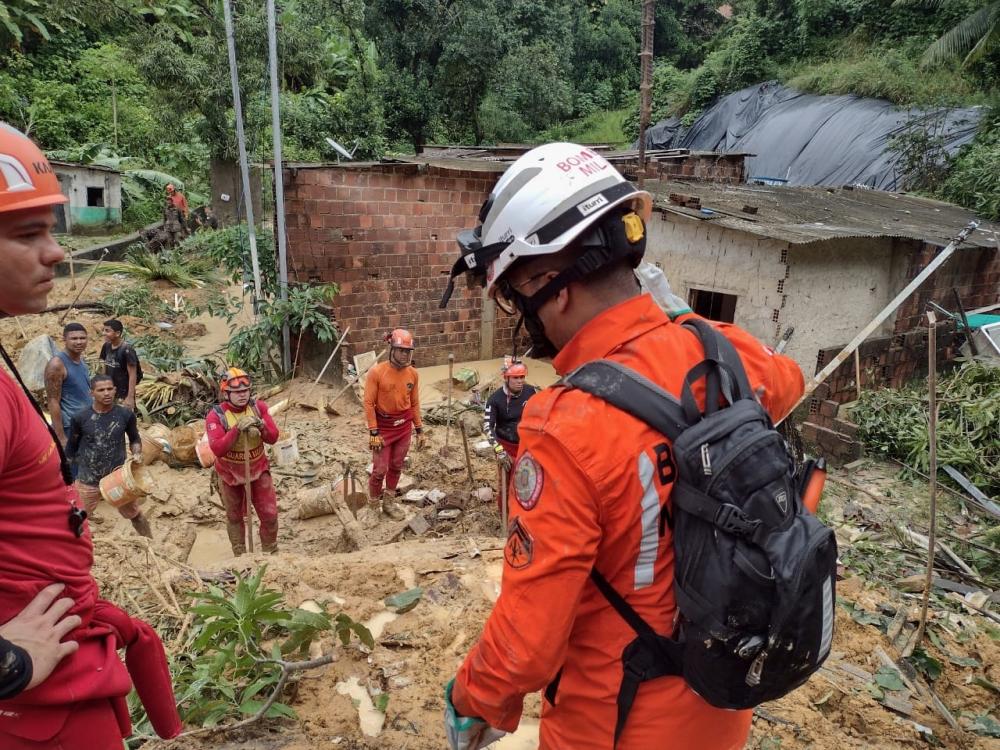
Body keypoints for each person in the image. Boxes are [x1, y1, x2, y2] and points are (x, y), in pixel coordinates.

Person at [438, 143, 805, 750]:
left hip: (611, 723)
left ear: (552, 289)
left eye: (513, 295)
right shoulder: (724, 356)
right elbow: (788, 379)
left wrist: (474, 696)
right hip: (721, 702)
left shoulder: (565, 427)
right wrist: (688, 323)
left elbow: (526, 646)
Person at [0, 122, 180, 746]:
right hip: (38, 702)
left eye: (52, 229)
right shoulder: (58, 381)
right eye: (28, 234)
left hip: (65, 667)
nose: (56, 252)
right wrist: (8, 662)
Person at [65, 375, 151, 538]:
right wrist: (66, 478)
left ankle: (151, 543)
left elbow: (134, 439)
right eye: (101, 390)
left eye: (109, 389)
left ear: (115, 390)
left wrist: (137, 453)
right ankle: (72, 553)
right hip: (88, 480)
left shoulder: (125, 415)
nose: (106, 393)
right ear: (91, 393)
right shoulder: (80, 418)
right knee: (76, 519)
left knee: (136, 515)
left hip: (117, 479)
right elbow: (70, 450)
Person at [205, 367, 280, 554]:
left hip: (258, 469)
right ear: (226, 393)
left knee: (270, 515)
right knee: (234, 516)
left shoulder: (258, 408)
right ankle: (240, 554)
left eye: (245, 391)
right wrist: (236, 429)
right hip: (229, 473)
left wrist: (261, 425)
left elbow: (273, 437)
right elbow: (217, 448)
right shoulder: (217, 416)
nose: (242, 396)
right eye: (237, 392)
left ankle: (270, 551)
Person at [363, 328, 424, 521]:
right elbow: (368, 403)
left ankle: (389, 501)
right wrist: (373, 431)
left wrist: (419, 429)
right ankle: (373, 506)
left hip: (404, 426)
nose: (405, 355)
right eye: (402, 350)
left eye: (408, 351)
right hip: (383, 428)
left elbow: (414, 403)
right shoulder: (377, 372)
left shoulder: (413, 374)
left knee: (397, 465)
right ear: (392, 349)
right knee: (380, 469)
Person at [44, 322, 92, 449]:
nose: (79, 342)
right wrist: (60, 436)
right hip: (69, 426)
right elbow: (53, 400)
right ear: (64, 340)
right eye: (74, 338)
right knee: (73, 466)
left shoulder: (81, 360)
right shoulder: (57, 365)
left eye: (82, 338)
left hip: (85, 423)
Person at [483, 359, 536, 473]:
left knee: (527, 481)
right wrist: (499, 450)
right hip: (506, 447)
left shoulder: (531, 391)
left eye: (522, 377)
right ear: (506, 378)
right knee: (507, 480)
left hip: (526, 444)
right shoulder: (494, 399)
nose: (520, 381)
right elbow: (487, 427)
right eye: (515, 378)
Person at [99, 318, 139, 410]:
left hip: (123, 394)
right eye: (104, 330)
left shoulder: (127, 350)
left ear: (117, 333)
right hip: (110, 391)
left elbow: (132, 375)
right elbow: (104, 368)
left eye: (107, 331)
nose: (104, 333)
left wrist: (129, 397)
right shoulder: (106, 346)